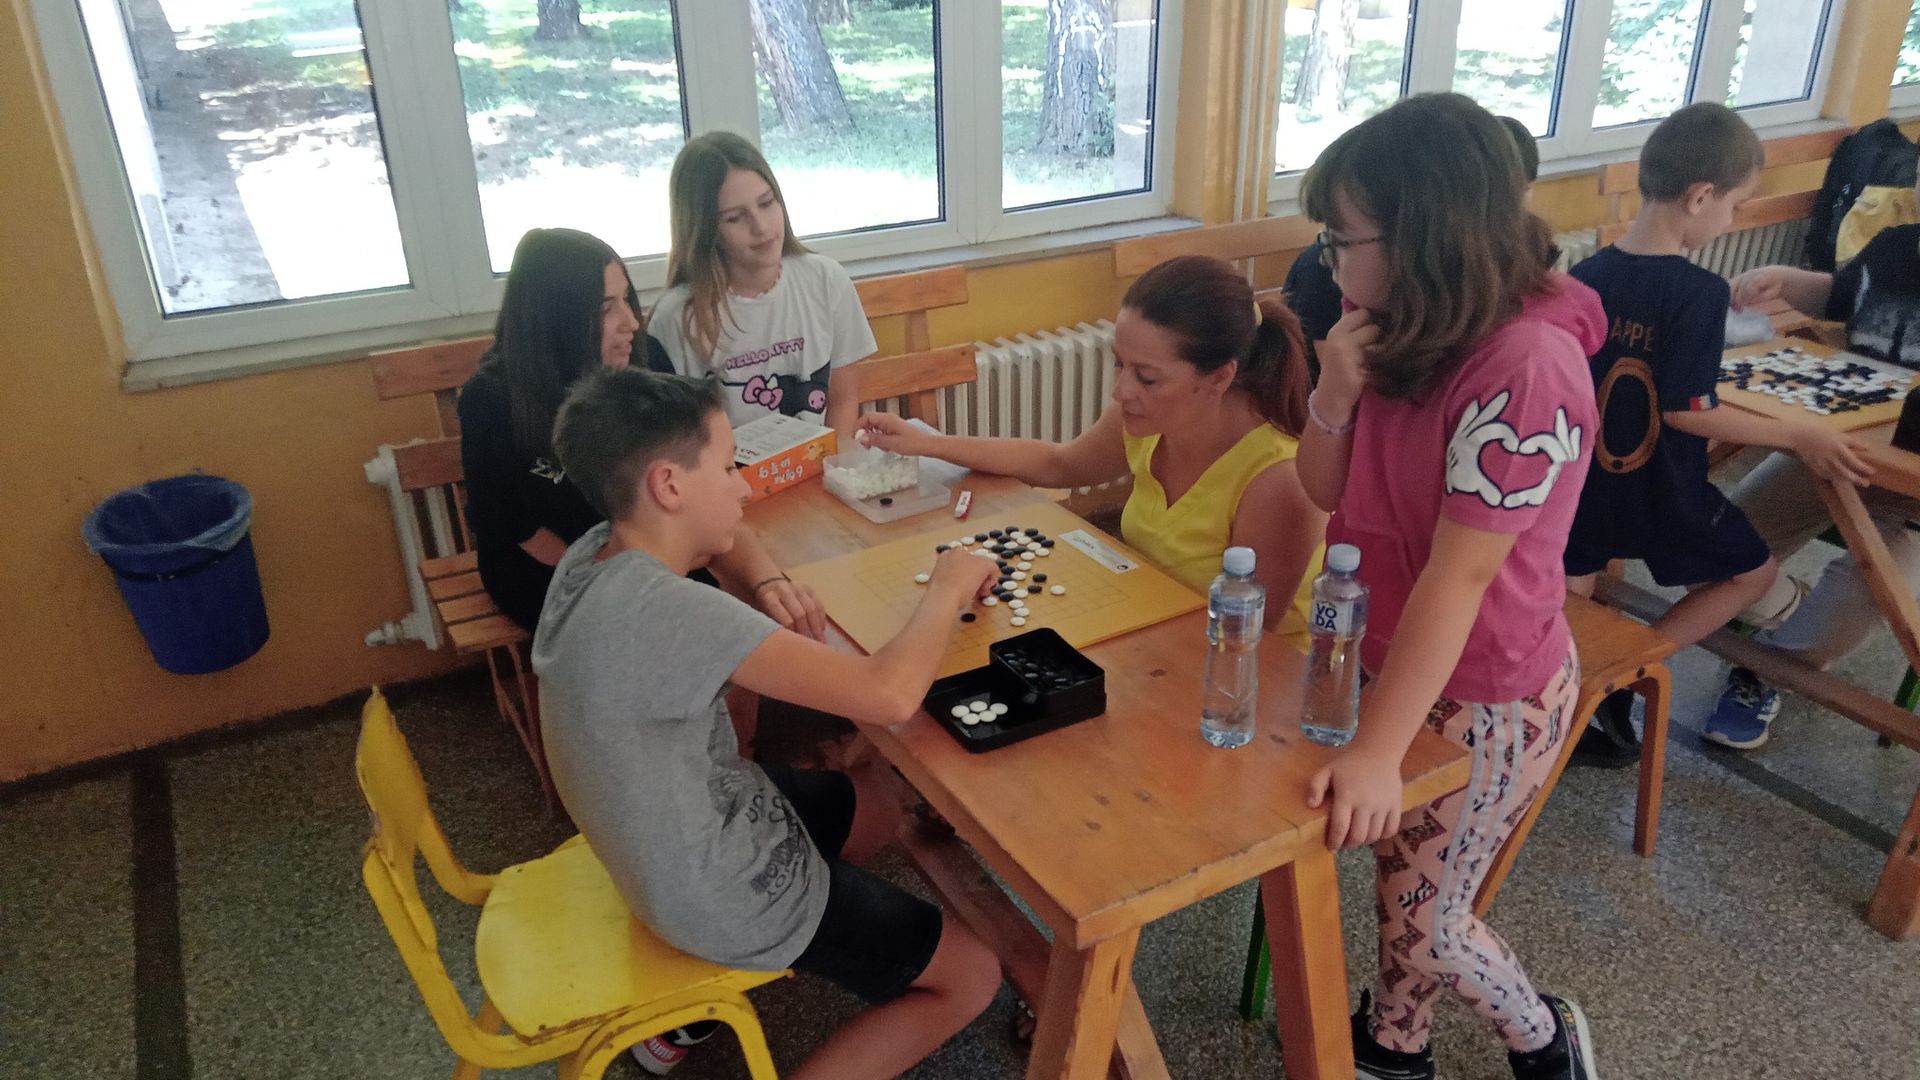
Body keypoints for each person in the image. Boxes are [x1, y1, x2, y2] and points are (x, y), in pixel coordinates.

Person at [534, 367, 1003, 1079]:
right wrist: (949, 583)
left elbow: (726, 542)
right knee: (974, 976)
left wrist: (769, 580)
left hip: (666, 844)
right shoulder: (669, 612)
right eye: (729, 468)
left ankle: (754, 966)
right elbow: (888, 695)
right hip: (716, 889)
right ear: (669, 485)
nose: (746, 489)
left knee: (879, 805)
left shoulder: (598, 552)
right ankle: (774, 938)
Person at [1272, 93, 1604, 1080]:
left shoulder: (1526, 368)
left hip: (1489, 691)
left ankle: (1544, 1037)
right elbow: (1323, 489)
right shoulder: (1395, 325)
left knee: (1430, 919)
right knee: (1410, 879)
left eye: (1341, 241)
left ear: (1423, 237)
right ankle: (1396, 1042)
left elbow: (1460, 580)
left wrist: (1377, 752)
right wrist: (1333, 390)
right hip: (1395, 657)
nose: (1330, 264)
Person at [1561, 104, 1872, 761]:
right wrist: (1798, 435)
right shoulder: (1698, 290)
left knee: (1572, 599)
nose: (1731, 220)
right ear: (1700, 195)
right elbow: (1687, 410)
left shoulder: (1584, 277)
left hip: (1582, 488)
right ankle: (1626, 667)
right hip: (1664, 493)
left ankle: (1568, 693)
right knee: (1752, 575)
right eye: (1735, 206)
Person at [857, 254, 1327, 651]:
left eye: (1146, 377)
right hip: (1154, 627)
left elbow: (1244, 643)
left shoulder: (1279, 481)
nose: (1121, 390)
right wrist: (927, 443)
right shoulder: (1149, 418)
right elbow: (1059, 463)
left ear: (1220, 377)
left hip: (1239, 676)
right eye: (1119, 364)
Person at [459, 227, 826, 639]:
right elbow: (514, 528)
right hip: (553, 570)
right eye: (605, 309)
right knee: (685, 632)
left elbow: (703, 492)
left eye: (627, 300)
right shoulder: (491, 400)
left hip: (656, 554)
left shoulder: (646, 363)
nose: (631, 322)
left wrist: (768, 581)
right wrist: (643, 581)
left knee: (743, 618)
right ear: (555, 319)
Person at [1695, 182, 1920, 747]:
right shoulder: (1897, 243)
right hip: (1832, 452)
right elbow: (1840, 296)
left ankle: (1766, 671)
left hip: (1911, 492)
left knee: (1854, 606)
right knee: (1706, 547)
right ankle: (1783, 609)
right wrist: (1785, 279)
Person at [649, 131, 875, 434]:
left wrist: (836, 461)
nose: (761, 227)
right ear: (704, 230)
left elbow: (843, 401)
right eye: (735, 218)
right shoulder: (675, 318)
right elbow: (674, 440)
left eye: (767, 203)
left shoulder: (826, 279)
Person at [1284, 114, 1541, 380]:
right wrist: (1331, 398)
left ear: (1412, 249)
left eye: (1340, 242)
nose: (1326, 260)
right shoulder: (1382, 322)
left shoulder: (1516, 371)